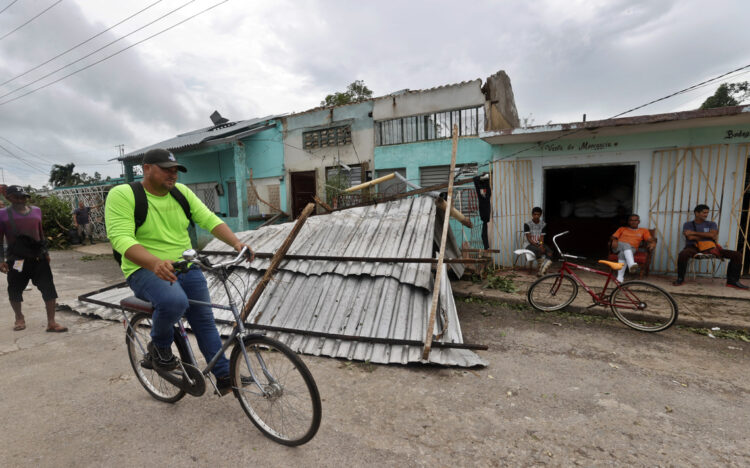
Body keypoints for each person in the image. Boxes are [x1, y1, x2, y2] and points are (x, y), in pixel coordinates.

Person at [105, 148, 254, 395]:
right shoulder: (123, 194)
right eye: (166, 169)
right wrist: (154, 263)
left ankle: (224, 374)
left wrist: (236, 243)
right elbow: (120, 238)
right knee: (175, 302)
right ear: (147, 169)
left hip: (185, 265)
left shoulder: (181, 193)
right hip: (144, 269)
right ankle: (160, 348)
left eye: (175, 170)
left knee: (204, 319)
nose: (172, 174)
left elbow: (209, 219)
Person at [0, 185, 67, 332]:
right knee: (15, 290)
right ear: (8, 198)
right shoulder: (3, 214)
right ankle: (19, 317)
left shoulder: (36, 211)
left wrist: (46, 252)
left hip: (38, 258)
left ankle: (51, 322)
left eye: (23, 197)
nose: (20, 200)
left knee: (49, 289)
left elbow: (40, 233)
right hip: (17, 260)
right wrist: (1, 260)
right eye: (16, 197)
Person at [673, 204, 748, 289]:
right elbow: (689, 237)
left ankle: (733, 281)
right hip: (693, 247)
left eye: (707, 213)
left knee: (737, 255)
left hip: (711, 247)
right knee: (683, 254)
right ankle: (680, 279)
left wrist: (694, 233)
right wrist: (707, 235)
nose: (706, 215)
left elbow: (712, 235)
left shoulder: (711, 224)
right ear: (696, 213)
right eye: (704, 213)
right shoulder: (688, 224)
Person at [609, 214, 655, 282]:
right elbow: (612, 237)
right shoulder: (622, 229)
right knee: (626, 245)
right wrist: (615, 240)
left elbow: (650, 239)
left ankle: (619, 278)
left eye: (635, 220)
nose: (633, 222)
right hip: (618, 247)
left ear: (638, 222)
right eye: (631, 220)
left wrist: (653, 243)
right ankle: (631, 264)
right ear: (628, 222)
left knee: (622, 254)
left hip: (632, 249)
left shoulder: (643, 231)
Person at [523, 207, 553, 276]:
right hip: (528, 244)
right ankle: (541, 270)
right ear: (532, 214)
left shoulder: (543, 224)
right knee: (539, 250)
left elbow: (542, 237)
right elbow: (529, 239)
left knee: (550, 252)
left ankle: (541, 270)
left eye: (538, 214)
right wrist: (539, 246)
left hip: (538, 243)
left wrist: (541, 245)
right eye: (535, 214)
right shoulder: (527, 224)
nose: (536, 216)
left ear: (541, 215)